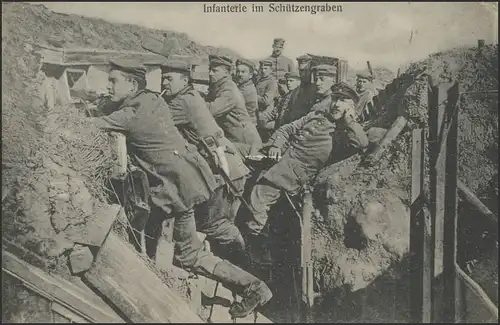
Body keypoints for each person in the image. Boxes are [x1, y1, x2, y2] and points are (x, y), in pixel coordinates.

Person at [92, 58, 272, 319]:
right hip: (193, 178)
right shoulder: (153, 100)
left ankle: (253, 285)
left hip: (178, 188)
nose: (108, 86)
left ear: (132, 84)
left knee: (189, 254)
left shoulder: (131, 115)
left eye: (113, 81)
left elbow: (93, 123)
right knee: (194, 239)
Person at [244, 65, 369, 239]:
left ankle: (255, 244)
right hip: (283, 160)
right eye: (335, 99)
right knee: (246, 171)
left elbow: (362, 143)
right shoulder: (317, 116)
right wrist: (276, 145)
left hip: (296, 171)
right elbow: (288, 128)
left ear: (351, 107)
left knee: (259, 195)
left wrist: (350, 121)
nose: (336, 104)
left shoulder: (343, 131)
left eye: (343, 101)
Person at [160, 59, 251, 266]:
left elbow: (154, 122)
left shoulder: (181, 102)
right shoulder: (190, 95)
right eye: (163, 78)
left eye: (169, 79)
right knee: (221, 223)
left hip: (225, 171)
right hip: (230, 165)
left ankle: (243, 263)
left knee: (215, 225)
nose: (164, 83)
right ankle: (236, 261)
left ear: (184, 80)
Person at [205, 55, 263, 160]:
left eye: (214, 71)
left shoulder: (229, 90)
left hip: (245, 142)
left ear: (226, 73)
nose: (210, 73)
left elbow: (209, 111)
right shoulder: (221, 86)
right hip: (236, 138)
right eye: (210, 70)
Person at [278, 54, 317, 127]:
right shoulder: (297, 90)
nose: (303, 74)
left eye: (306, 70)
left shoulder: (315, 90)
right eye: (301, 70)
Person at [255, 58, 279, 142]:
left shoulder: (271, 82)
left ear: (271, 70)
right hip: (258, 108)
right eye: (262, 68)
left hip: (266, 110)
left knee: (261, 124)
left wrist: (253, 95)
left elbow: (266, 101)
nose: (263, 71)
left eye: (266, 69)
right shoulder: (259, 79)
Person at [234, 58, 258, 125]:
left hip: (246, 125)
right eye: (238, 72)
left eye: (243, 72)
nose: (239, 74)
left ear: (250, 75)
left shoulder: (247, 90)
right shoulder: (243, 86)